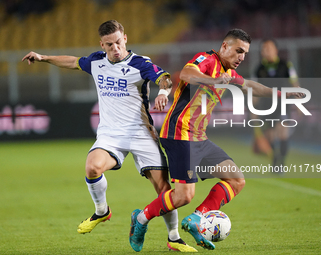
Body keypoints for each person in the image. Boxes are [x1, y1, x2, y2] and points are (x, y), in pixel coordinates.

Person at [22, 20, 196, 253]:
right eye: (109, 44)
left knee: (164, 190)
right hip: (110, 134)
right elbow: (73, 62)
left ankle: (173, 238)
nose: (115, 48)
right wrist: (44, 58)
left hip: (141, 133)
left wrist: (163, 92)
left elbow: (163, 77)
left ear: (125, 38)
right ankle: (102, 211)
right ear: (102, 45)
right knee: (92, 167)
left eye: (118, 42)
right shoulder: (96, 61)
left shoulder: (139, 63)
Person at [129, 29, 304, 251]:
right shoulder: (207, 60)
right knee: (184, 196)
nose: (241, 57)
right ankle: (141, 219)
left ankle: (197, 218)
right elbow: (186, 74)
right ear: (224, 47)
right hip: (179, 134)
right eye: (238, 51)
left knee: (237, 180)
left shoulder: (229, 73)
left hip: (199, 138)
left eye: (245, 53)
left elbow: (250, 86)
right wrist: (214, 79)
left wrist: (283, 93)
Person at [253, 39, 300, 167]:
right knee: (270, 136)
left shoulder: (286, 65)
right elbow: (254, 90)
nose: (265, 51)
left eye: (268, 48)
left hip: (283, 104)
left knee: (283, 133)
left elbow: (294, 84)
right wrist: (253, 108)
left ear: (276, 50)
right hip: (266, 106)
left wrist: (299, 104)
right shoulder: (259, 69)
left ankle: (282, 161)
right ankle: (275, 158)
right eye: (264, 49)